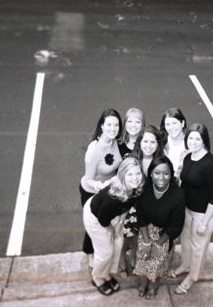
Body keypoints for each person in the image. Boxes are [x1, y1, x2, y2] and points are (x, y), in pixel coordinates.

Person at [169, 123, 213, 295]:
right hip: (188, 209)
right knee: (185, 240)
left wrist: (204, 223)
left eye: (197, 139)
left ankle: (193, 276)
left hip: (204, 214)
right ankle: (185, 265)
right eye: (190, 138)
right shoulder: (187, 157)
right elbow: (183, 183)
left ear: (204, 140)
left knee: (198, 246)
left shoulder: (211, 165)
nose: (193, 142)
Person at [82, 157, 145, 296]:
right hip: (95, 217)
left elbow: (126, 208)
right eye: (130, 174)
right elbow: (102, 220)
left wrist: (120, 224)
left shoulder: (135, 188)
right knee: (105, 252)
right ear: (122, 175)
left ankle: (106, 274)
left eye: (138, 173)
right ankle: (97, 277)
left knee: (117, 244)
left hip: (112, 216)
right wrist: (112, 230)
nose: (135, 178)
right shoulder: (113, 197)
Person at [134, 156, 185, 299]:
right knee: (143, 258)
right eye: (157, 173)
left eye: (166, 173)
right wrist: (145, 241)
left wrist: (159, 243)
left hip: (166, 233)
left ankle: (153, 286)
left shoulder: (178, 194)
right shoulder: (144, 189)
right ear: (150, 173)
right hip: (146, 230)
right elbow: (141, 215)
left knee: (157, 262)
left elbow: (176, 224)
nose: (161, 177)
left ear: (171, 174)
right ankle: (143, 283)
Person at [79, 109, 123, 269]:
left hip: (108, 189)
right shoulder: (94, 150)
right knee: (93, 224)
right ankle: (90, 254)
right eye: (109, 125)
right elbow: (88, 179)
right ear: (102, 126)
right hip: (91, 190)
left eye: (116, 125)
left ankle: (102, 252)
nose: (113, 128)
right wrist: (99, 186)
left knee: (105, 222)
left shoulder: (115, 141)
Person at [119, 125, 162, 274]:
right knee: (125, 236)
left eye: (152, 142)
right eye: (145, 141)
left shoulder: (160, 163)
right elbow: (121, 180)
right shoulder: (131, 158)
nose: (148, 146)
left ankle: (133, 258)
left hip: (148, 207)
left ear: (157, 144)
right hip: (130, 205)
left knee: (139, 236)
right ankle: (121, 257)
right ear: (139, 142)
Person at [159, 108, 188, 181]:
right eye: (168, 124)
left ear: (182, 123)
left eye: (174, 123)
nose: (171, 127)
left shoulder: (191, 142)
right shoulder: (162, 142)